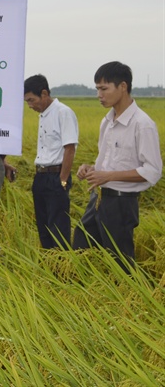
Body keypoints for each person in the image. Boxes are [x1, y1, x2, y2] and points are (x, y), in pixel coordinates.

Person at [73, 61, 162, 272]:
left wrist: (109, 176)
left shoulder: (142, 124)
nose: (99, 95)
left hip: (122, 204)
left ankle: (127, 300)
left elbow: (152, 171)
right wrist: (90, 169)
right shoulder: (107, 121)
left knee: (120, 263)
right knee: (80, 245)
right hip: (99, 199)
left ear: (123, 87)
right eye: (97, 89)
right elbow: (105, 160)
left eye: (104, 89)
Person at [24, 74, 79, 249]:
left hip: (56, 176)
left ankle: (62, 270)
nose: (30, 105)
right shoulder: (43, 115)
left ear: (44, 93)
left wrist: (62, 180)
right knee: (43, 226)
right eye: (27, 102)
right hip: (40, 176)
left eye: (32, 100)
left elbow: (69, 148)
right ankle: (49, 268)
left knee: (58, 228)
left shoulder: (63, 113)